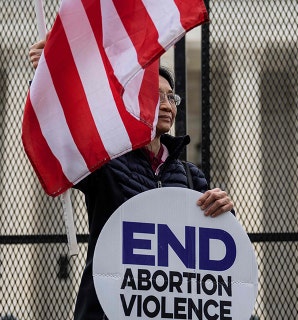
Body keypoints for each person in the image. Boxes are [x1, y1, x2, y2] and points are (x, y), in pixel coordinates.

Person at [29, 39, 234, 320]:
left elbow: (215, 241)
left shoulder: (190, 176)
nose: (167, 105)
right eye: (156, 95)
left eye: (171, 97)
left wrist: (225, 209)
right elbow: (60, 141)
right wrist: (48, 80)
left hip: (166, 309)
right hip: (108, 307)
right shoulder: (107, 163)